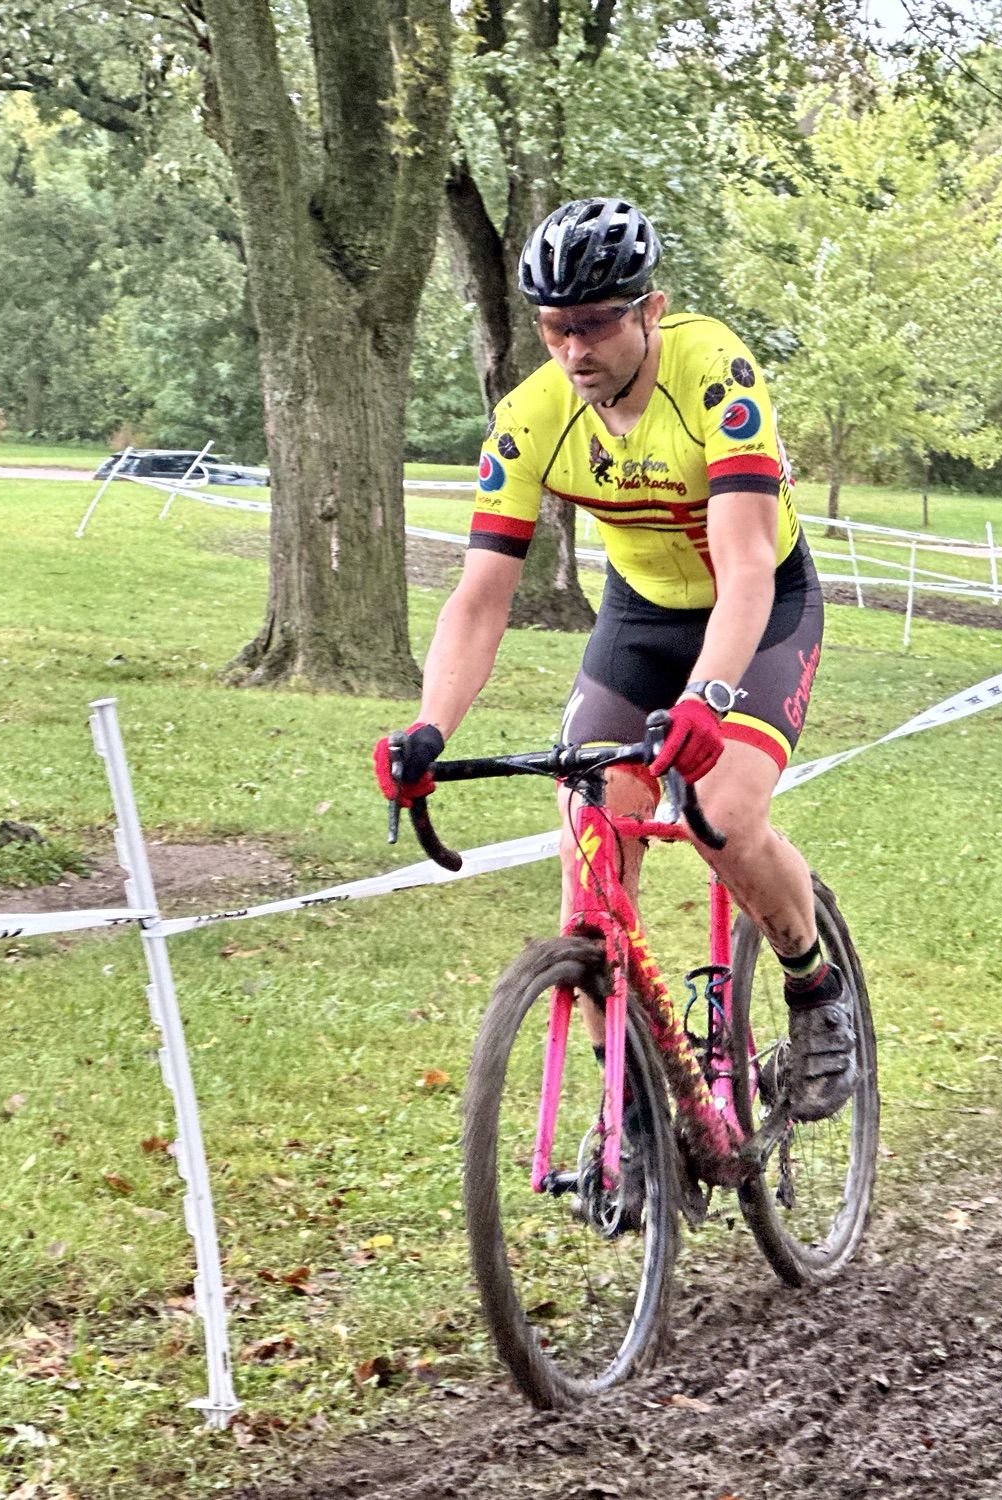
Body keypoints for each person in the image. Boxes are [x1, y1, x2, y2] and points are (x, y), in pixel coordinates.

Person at [372, 198, 855, 1121]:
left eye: (596, 324)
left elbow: (747, 565)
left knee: (721, 815)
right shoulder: (530, 418)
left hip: (759, 606)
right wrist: (429, 727)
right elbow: (481, 596)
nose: (574, 349)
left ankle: (813, 986)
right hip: (639, 621)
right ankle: (631, 1120)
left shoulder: (716, 376)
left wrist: (709, 696)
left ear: (650, 310)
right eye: (555, 328)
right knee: (588, 844)